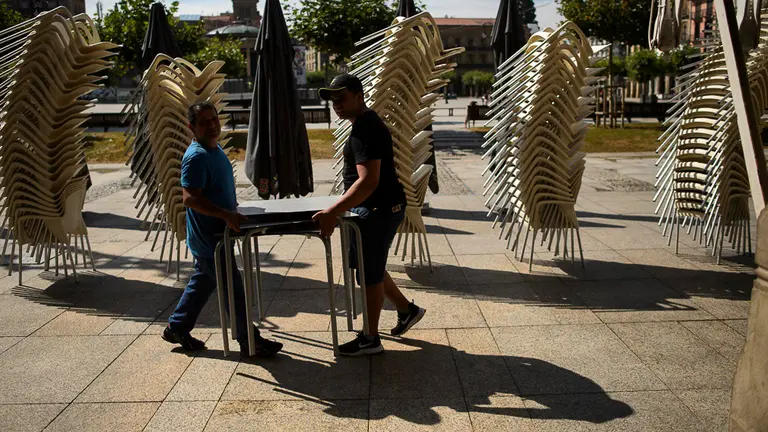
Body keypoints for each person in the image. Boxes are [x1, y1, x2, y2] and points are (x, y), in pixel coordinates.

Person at [314, 74, 426, 356]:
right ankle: (407, 310)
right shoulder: (364, 123)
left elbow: (368, 181)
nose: (336, 104)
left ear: (358, 96)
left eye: (342, 98)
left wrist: (332, 212)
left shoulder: (365, 127)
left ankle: (370, 339)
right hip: (377, 209)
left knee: (370, 274)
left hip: (377, 210)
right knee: (369, 269)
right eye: (332, 100)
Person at [162, 102, 283, 358]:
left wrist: (233, 209)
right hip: (210, 238)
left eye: (214, 120)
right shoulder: (196, 157)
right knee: (232, 287)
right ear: (191, 127)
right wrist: (225, 214)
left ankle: (177, 327)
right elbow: (190, 198)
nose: (212, 125)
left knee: (204, 281)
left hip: (219, 234)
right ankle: (249, 341)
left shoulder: (214, 149)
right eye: (204, 122)